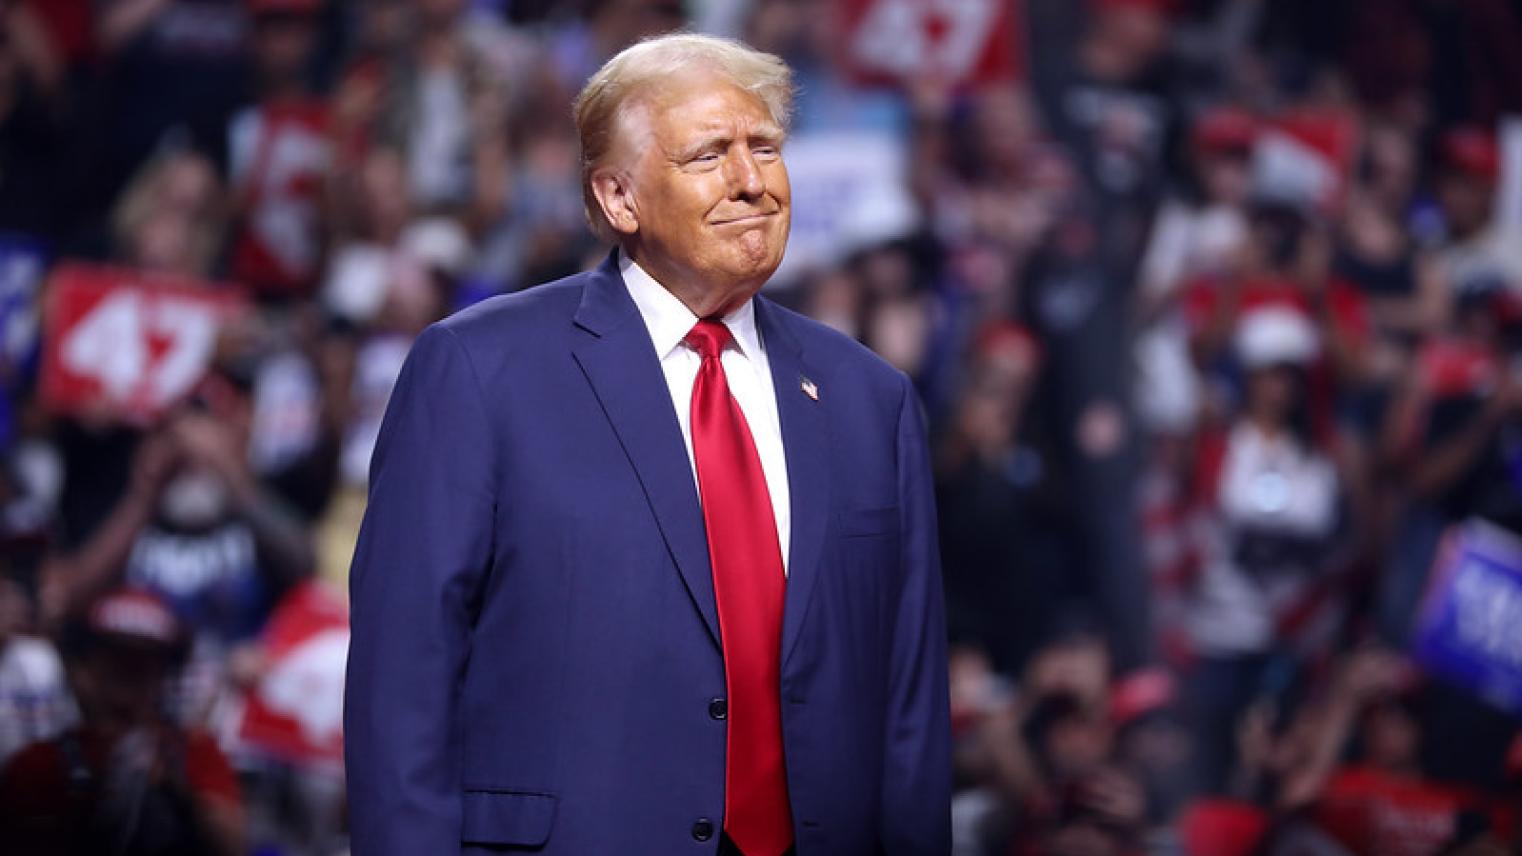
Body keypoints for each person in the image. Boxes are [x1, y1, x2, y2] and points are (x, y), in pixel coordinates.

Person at [343, 32, 951, 856]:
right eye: (710, 155)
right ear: (620, 198)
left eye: (764, 148)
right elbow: (402, 687)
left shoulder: (870, 400)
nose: (752, 182)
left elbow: (909, 714)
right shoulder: (480, 371)